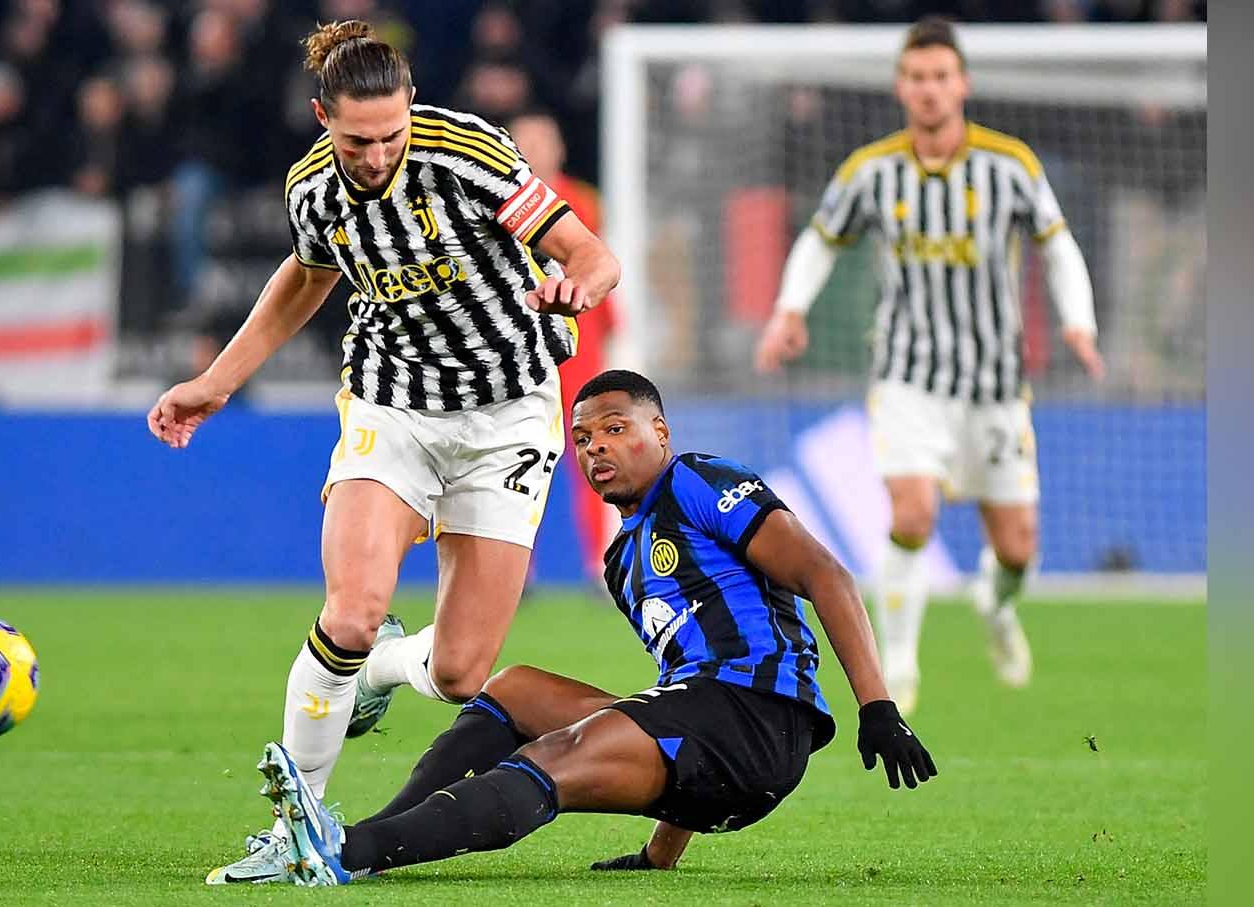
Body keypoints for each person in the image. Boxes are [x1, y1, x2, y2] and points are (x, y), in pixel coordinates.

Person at [148, 19, 620, 881]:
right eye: (358, 140)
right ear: (324, 115)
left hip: (509, 415)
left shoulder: (468, 153)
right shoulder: (313, 191)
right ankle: (296, 829)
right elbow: (306, 275)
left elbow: (588, 250)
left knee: (461, 671)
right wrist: (217, 379)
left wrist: (577, 282)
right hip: (392, 405)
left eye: (392, 135)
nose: (376, 156)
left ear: (411, 111)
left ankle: (383, 672)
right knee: (352, 608)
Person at [210, 369, 935, 885]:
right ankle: (366, 830)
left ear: (661, 431)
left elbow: (826, 576)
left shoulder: (699, 481)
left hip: (758, 721)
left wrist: (876, 706)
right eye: (583, 438)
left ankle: (344, 851)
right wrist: (660, 854)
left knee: (560, 753)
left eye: (617, 430)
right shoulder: (622, 556)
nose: (596, 449)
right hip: (714, 736)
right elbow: (679, 709)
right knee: (515, 687)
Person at [752, 17, 1106, 714]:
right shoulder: (872, 171)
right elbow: (820, 240)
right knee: (912, 512)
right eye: (917, 78)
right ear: (900, 87)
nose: (929, 90)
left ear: (962, 84)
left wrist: (1079, 322)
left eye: (941, 77)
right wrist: (789, 310)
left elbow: (1057, 245)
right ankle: (900, 664)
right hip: (908, 377)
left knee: (1017, 545)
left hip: (996, 387)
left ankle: (998, 609)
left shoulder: (1009, 165)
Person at [508, 110, 621, 584]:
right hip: (517, 351)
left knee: (594, 456)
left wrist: (613, 325)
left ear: (559, 149)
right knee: (516, 457)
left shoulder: (584, 203)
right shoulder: (498, 200)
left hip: (580, 349)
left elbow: (600, 263)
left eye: (542, 140)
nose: (534, 150)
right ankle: (515, 568)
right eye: (525, 142)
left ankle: (601, 564)